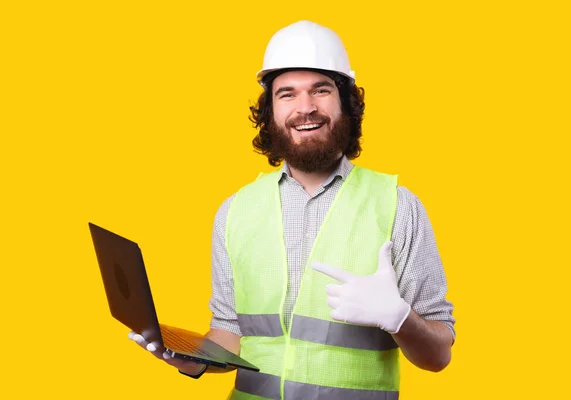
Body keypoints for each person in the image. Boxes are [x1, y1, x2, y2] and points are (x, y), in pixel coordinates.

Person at [129, 20, 456, 399]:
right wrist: (188, 358)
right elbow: (230, 332)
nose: (306, 108)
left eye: (321, 90)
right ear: (269, 111)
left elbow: (438, 356)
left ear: (346, 104)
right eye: (287, 94)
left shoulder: (398, 207)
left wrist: (401, 319)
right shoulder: (235, 211)